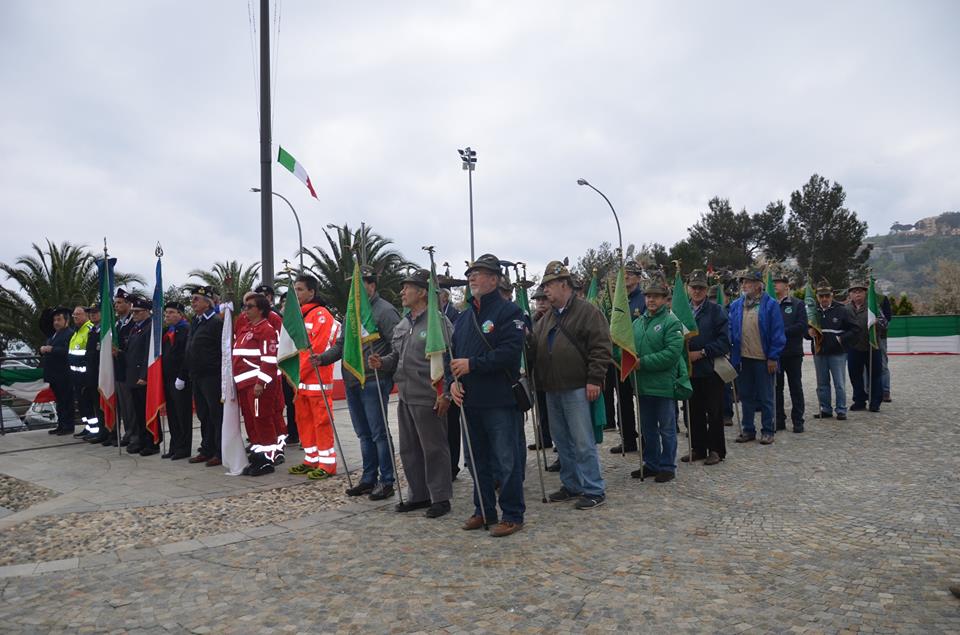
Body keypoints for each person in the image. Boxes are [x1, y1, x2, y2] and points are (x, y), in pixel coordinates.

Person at [449, 253, 526, 537]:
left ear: (494, 279)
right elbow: (453, 357)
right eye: (471, 273)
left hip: (499, 400)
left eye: (479, 273)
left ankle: (513, 514)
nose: (472, 277)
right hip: (470, 400)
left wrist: (473, 365)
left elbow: (509, 354)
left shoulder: (510, 312)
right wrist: (452, 383)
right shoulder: (464, 318)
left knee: (506, 461)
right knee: (476, 460)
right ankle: (483, 510)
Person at [369, 268, 454, 518]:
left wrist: (446, 393)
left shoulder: (438, 323)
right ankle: (418, 495)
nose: (402, 292)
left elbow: (448, 360)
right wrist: (382, 362)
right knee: (409, 449)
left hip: (429, 395)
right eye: (403, 288)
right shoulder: (404, 323)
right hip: (405, 395)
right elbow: (397, 356)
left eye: (407, 288)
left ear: (422, 292)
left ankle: (440, 497)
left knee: (434, 449)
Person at [530, 260, 611, 509]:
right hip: (552, 388)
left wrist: (594, 379)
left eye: (549, 286)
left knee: (582, 441)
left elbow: (601, 347)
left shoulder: (588, 312)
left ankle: (594, 488)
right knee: (562, 441)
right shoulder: (545, 319)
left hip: (577, 386)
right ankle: (572, 484)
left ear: (564, 285)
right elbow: (535, 348)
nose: (545, 291)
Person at [317, 265, 401, 500]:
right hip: (352, 379)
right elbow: (342, 345)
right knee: (363, 434)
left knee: (378, 434)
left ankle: (386, 481)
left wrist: (382, 362)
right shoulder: (351, 313)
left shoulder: (385, 312)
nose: (354, 289)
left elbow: (398, 346)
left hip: (374, 380)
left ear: (371, 285)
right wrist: (322, 358)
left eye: (359, 284)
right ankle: (368, 478)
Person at [631, 272, 683, 482]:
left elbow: (671, 354)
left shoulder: (672, 322)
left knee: (667, 428)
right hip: (643, 385)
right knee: (648, 428)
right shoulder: (637, 323)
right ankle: (651, 463)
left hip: (663, 386)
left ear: (664, 299)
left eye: (656, 296)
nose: (651, 300)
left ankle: (667, 466)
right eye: (648, 296)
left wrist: (642, 363)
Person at [288, 275, 341, 480]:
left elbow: (316, 349)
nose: (297, 293)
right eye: (295, 289)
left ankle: (327, 464)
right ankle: (311, 459)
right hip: (301, 383)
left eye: (300, 289)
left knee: (321, 422)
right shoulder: (299, 316)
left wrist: (296, 373)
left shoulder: (321, 315)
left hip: (316, 381)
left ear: (312, 292)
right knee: (303, 422)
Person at [728, 271, 785, 445]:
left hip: (763, 358)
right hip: (743, 358)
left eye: (749, 282)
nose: (744, 285)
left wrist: (773, 357)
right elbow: (731, 327)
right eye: (743, 282)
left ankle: (768, 430)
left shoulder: (770, 304)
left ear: (759, 285)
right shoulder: (737, 305)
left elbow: (777, 333)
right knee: (746, 396)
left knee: (766, 396)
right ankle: (748, 429)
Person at [232, 293, 283, 476]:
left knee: (262, 421)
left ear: (260, 309)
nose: (245, 309)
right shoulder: (247, 329)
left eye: (249, 306)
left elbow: (269, 360)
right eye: (245, 306)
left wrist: (261, 383)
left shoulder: (266, 330)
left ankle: (267, 459)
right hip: (244, 384)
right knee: (251, 422)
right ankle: (257, 457)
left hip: (256, 385)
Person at [684, 270, 730, 465]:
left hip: (711, 369)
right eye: (694, 287)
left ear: (706, 289)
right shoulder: (682, 310)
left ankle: (716, 450)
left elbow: (724, 342)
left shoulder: (716, 311)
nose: (697, 291)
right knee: (693, 412)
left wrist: (702, 352)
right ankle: (698, 448)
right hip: (690, 370)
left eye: (701, 288)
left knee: (714, 412)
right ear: (688, 289)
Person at [181, 286, 224, 467]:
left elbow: (222, 350)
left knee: (216, 415)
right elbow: (190, 348)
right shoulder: (196, 321)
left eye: (196, 299)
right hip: (196, 375)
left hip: (211, 376)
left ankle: (220, 452)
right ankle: (206, 449)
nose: (193, 302)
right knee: (203, 415)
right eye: (192, 299)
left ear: (208, 303)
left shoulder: (215, 322)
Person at [608, 259, 646, 454]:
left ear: (638, 278)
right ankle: (628, 439)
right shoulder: (620, 300)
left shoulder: (644, 299)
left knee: (643, 401)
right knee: (622, 401)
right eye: (624, 275)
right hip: (619, 359)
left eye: (629, 275)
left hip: (638, 358)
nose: (625, 278)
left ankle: (647, 440)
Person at [810, 279, 858, 421]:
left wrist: (841, 339)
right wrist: (808, 333)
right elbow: (805, 331)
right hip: (819, 352)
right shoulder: (813, 312)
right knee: (822, 384)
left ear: (832, 295)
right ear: (817, 297)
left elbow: (855, 329)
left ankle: (841, 409)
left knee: (839, 383)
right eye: (821, 296)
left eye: (827, 296)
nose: (824, 299)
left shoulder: (842, 310)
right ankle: (825, 409)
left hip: (837, 353)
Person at [125, 296, 160, 456]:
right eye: (133, 312)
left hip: (143, 377)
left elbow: (149, 354)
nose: (134, 314)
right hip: (133, 376)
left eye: (138, 312)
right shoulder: (135, 328)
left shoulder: (150, 327)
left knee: (147, 411)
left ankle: (152, 442)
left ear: (147, 312)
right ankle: (142, 440)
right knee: (138, 412)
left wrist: (144, 375)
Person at [773, 271, 807, 433]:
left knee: (795, 387)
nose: (774, 284)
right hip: (775, 354)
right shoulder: (769, 304)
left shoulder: (797, 304)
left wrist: (780, 332)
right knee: (776, 388)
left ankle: (798, 420)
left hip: (793, 353)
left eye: (778, 282)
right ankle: (779, 419)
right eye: (773, 282)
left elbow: (802, 326)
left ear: (787, 286)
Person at [846, 281, 884, 412]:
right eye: (854, 291)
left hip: (872, 347)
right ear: (850, 294)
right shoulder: (846, 309)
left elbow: (885, 324)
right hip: (854, 347)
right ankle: (859, 400)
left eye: (860, 291)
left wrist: (877, 322)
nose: (857, 294)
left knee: (875, 375)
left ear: (865, 293)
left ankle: (875, 402)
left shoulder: (873, 307)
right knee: (855, 376)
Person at [529, 286, 556, 469]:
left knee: (556, 414)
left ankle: (560, 449)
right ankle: (544, 438)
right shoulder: (532, 320)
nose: (541, 304)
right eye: (538, 301)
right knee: (542, 411)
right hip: (537, 374)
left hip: (554, 374)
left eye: (544, 300)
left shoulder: (555, 319)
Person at [161, 301, 192, 459]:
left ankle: (184, 447)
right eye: (166, 312)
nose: (168, 315)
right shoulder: (167, 331)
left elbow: (185, 355)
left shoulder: (186, 330)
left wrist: (182, 376)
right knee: (172, 414)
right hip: (167, 377)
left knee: (182, 414)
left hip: (180, 378)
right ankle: (175, 444)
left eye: (172, 312)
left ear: (181, 314)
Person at [41, 307, 75, 436]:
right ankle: (61, 425)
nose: (56, 322)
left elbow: (67, 351)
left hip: (64, 374)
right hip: (53, 374)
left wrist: (51, 349)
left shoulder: (69, 333)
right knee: (59, 402)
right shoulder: (53, 334)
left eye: (59, 319)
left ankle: (68, 426)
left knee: (66, 401)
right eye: (54, 320)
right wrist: (43, 350)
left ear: (66, 320)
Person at [439, 286, 462, 479]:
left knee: (452, 426)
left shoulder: (455, 316)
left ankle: (452, 466)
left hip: (451, 376)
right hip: (436, 379)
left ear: (444, 298)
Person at [109, 289, 136, 447]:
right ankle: (128, 431)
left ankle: (134, 432)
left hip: (128, 369)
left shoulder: (132, 323)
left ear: (128, 304)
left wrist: (119, 352)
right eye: (115, 303)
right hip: (118, 369)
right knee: (123, 406)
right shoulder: (117, 323)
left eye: (119, 303)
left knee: (131, 405)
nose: (116, 306)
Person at [67, 306, 95, 439]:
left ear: (86, 315)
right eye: (74, 315)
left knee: (89, 403)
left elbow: (88, 354)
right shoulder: (76, 331)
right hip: (75, 376)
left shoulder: (88, 329)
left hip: (85, 375)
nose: (75, 317)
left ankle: (94, 430)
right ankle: (88, 427)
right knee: (82, 404)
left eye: (78, 314)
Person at [81, 304, 106, 443]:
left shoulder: (104, 331)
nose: (92, 315)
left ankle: (107, 432)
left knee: (104, 404)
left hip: (101, 373)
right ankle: (102, 431)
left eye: (95, 312)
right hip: (92, 373)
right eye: (90, 313)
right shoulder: (92, 331)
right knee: (96, 404)